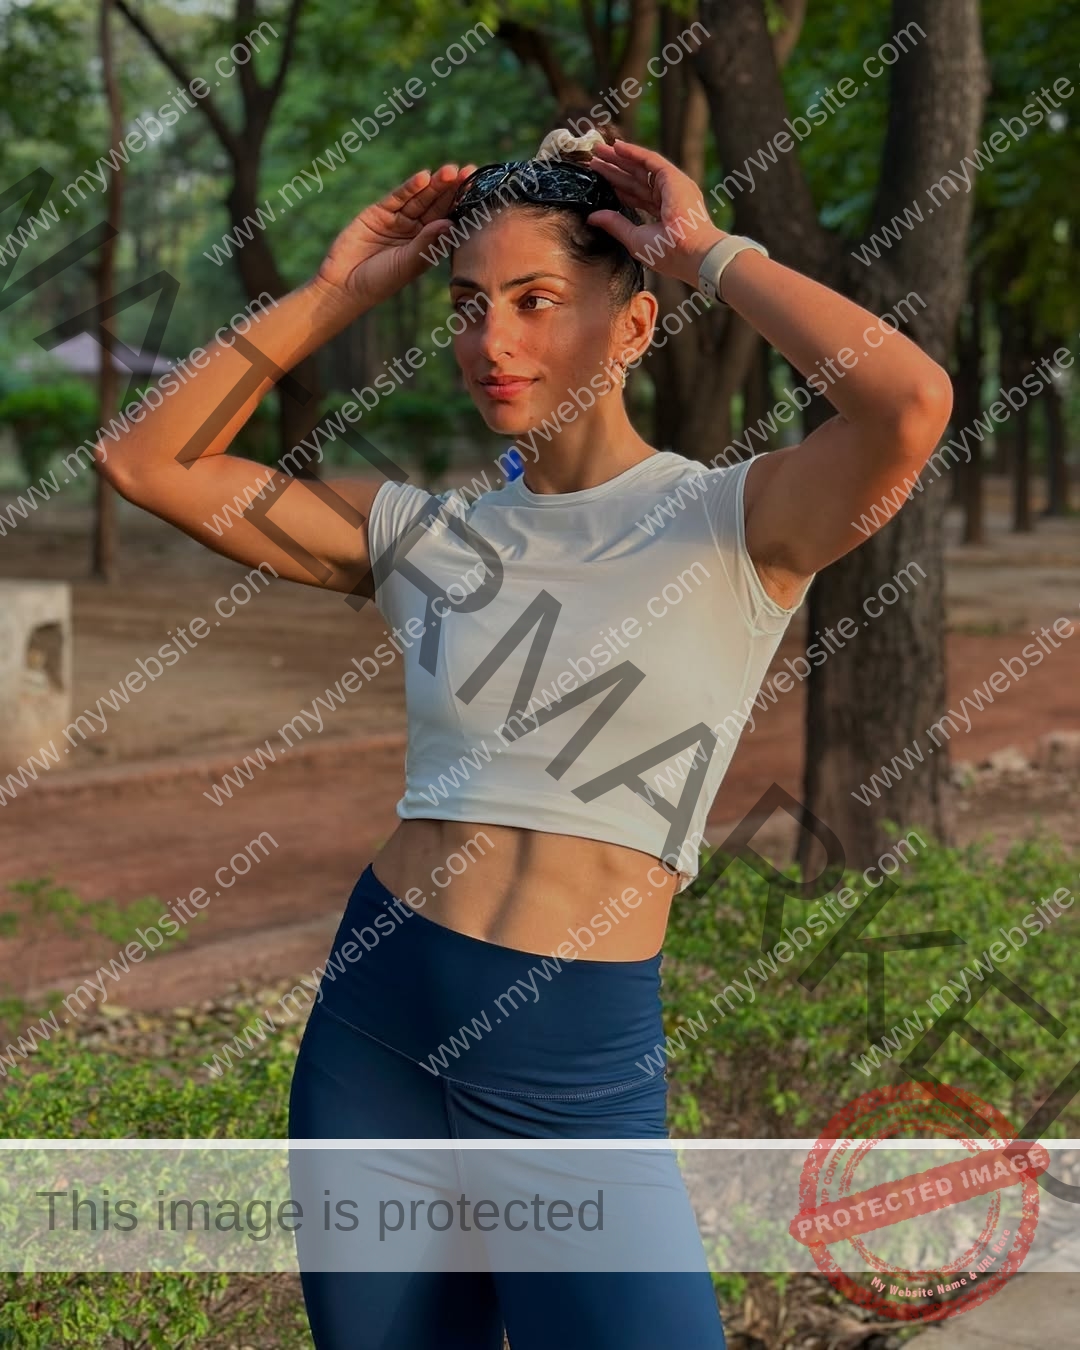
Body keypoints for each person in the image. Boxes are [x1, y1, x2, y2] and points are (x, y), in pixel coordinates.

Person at [96, 126, 952, 1349]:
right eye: (467, 305)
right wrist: (342, 289)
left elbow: (910, 400)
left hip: (571, 1063)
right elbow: (144, 460)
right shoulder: (420, 532)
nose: (492, 340)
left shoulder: (733, 523)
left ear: (635, 326)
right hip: (376, 1026)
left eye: (536, 300)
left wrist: (710, 250)